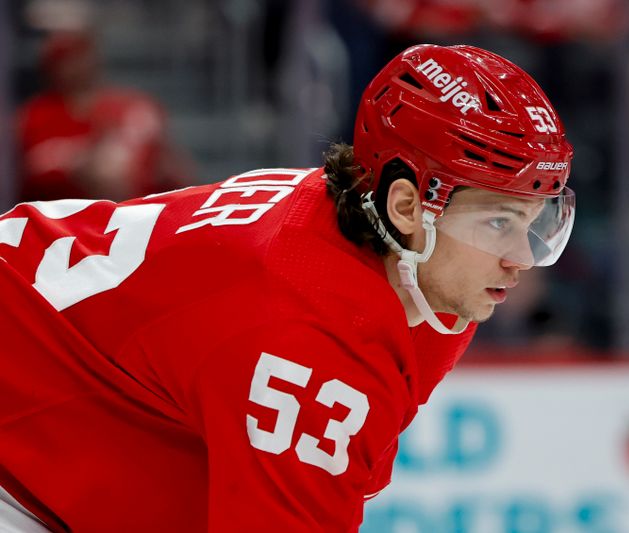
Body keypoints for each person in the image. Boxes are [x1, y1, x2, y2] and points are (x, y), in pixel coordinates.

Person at [0, 44, 574, 532]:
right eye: (499, 222)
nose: (521, 259)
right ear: (405, 206)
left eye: (534, 222)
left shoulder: (410, 258)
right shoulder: (313, 342)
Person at [16, 31, 190, 203]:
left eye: (81, 55)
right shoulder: (37, 113)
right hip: (69, 218)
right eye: (67, 58)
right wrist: (83, 162)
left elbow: (172, 166)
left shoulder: (134, 106)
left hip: (139, 213)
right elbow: (36, 171)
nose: (76, 65)